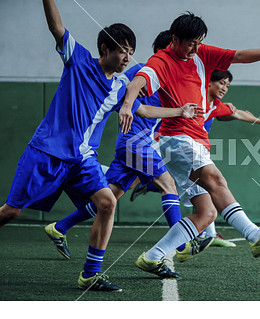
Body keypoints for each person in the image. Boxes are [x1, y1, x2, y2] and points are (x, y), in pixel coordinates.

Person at [0, 1, 192, 292]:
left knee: (107, 202)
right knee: (11, 213)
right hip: (46, 153)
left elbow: (141, 111)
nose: (127, 56)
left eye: (130, 51)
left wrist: (178, 112)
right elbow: (57, 27)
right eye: (121, 50)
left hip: (82, 160)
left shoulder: (119, 87)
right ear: (105, 49)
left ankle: (90, 273)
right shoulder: (78, 60)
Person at [119, 12, 260, 279]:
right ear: (175, 38)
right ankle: (255, 236)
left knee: (206, 213)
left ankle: (152, 257)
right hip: (177, 139)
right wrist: (126, 106)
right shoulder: (162, 61)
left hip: (193, 142)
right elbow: (137, 82)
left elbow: (239, 56)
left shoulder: (202, 54)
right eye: (190, 42)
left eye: (199, 42)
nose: (195, 48)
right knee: (216, 179)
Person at [44, 30, 207, 275]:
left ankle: (60, 227)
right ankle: (183, 244)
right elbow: (121, 89)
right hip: (134, 142)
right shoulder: (142, 70)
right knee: (168, 185)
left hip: (136, 144)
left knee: (111, 196)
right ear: (165, 51)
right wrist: (127, 104)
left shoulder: (169, 77)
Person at [132, 69, 260, 247]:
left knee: (207, 205)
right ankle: (251, 235)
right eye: (222, 83)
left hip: (183, 147)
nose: (225, 88)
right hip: (168, 144)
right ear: (208, 82)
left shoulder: (214, 105)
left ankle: (191, 242)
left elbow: (236, 113)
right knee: (206, 183)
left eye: (228, 85)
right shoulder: (193, 95)